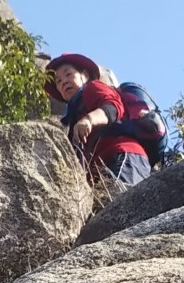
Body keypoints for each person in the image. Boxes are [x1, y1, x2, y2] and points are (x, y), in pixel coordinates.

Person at [46, 53, 151, 188]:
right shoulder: (72, 117)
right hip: (102, 168)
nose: (64, 82)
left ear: (85, 75)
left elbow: (113, 107)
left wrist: (89, 120)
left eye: (68, 74)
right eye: (58, 81)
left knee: (121, 203)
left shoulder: (92, 88)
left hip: (121, 155)